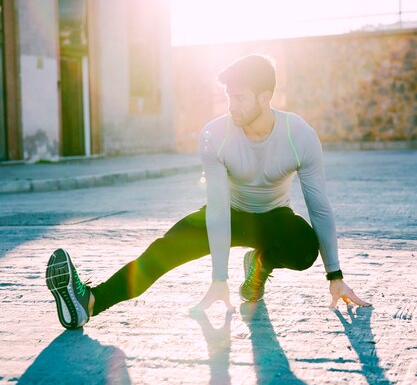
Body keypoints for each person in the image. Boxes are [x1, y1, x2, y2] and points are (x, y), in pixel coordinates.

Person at [46, 54, 371, 329]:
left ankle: (259, 264)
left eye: (240, 97)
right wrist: (219, 279)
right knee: (162, 252)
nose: (232, 106)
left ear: (265, 97)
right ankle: (88, 303)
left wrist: (335, 275)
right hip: (227, 213)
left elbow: (320, 208)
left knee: (304, 248)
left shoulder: (299, 135)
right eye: (229, 97)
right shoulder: (215, 135)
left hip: (275, 219)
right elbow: (216, 210)